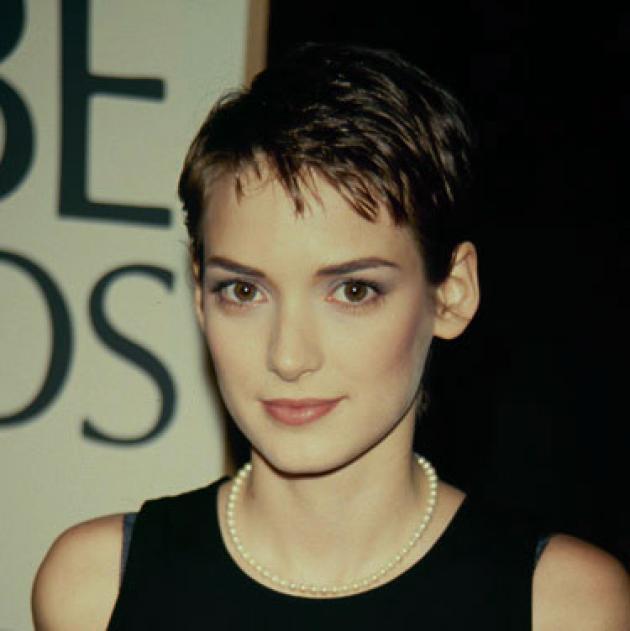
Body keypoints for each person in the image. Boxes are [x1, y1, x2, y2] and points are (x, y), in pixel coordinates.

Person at [32, 43, 629, 630]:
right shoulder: (95, 590)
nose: (288, 356)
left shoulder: (564, 607)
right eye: (243, 290)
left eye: (353, 291)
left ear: (451, 293)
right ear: (198, 297)